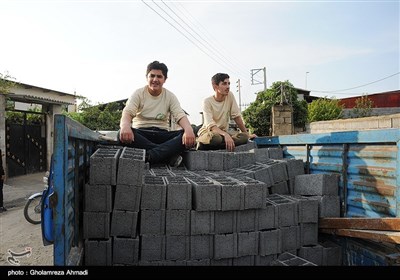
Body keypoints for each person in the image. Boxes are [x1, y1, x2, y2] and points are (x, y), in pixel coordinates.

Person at [118, 61, 195, 167]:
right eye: (152, 76)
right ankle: (167, 155)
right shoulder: (138, 93)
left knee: (186, 135)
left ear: (165, 79)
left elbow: (180, 115)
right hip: (141, 133)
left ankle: (150, 156)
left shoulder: (170, 96)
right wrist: (125, 126)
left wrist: (188, 130)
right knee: (120, 134)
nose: (155, 80)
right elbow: (127, 112)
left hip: (162, 134)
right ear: (147, 77)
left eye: (159, 76)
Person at [197, 73, 256, 152]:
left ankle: (218, 145)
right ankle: (201, 142)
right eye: (224, 84)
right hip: (209, 133)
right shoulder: (207, 102)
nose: (228, 87)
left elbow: (237, 117)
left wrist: (247, 134)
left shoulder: (230, 95)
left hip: (223, 134)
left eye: (229, 84)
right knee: (216, 139)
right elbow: (211, 126)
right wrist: (226, 135)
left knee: (244, 137)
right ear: (215, 86)